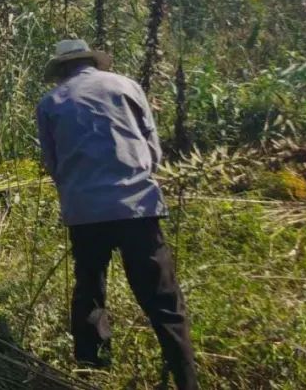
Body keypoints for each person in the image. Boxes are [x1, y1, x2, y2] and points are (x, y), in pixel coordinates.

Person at [36, 39, 197, 390]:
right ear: (92, 62)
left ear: (62, 70)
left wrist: (81, 187)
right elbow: (152, 150)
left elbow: (53, 165)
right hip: (137, 205)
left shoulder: (50, 102)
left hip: (85, 212)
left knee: (90, 290)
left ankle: (92, 373)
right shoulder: (127, 86)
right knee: (163, 300)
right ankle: (186, 380)